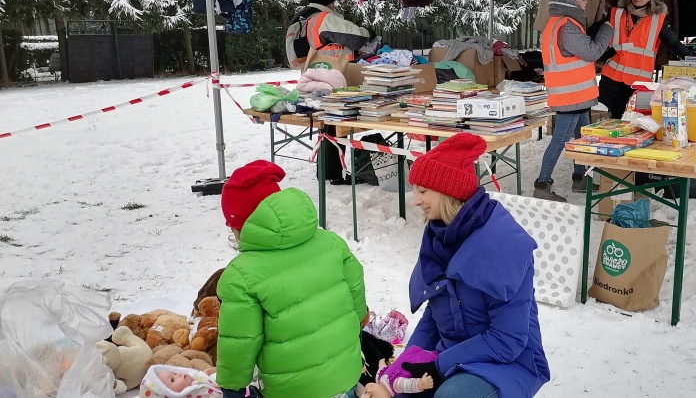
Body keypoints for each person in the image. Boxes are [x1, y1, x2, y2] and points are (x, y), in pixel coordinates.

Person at [403, 133, 550, 398]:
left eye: (423, 191)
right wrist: (407, 361)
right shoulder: (440, 236)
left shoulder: (502, 245)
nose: (415, 201)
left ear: (449, 191)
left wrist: (438, 364)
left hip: (507, 364)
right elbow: (435, 313)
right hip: (451, 353)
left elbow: (508, 341)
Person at [215, 160, 367, 398]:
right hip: (346, 375)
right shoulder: (331, 243)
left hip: (292, 390)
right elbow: (356, 294)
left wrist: (232, 387)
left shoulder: (241, 276)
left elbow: (240, 341)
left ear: (241, 226)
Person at [535, 0, 614, 202]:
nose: (586, 1)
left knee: (582, 137)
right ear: (571, 1)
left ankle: (581, 178)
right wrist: (607, 30)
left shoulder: (560, 24)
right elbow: (591, 52)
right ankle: (542, 184)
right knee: (561, 139)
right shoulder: (567, 27)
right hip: (570, 96)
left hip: (575, 95)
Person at [599, 0, 691, 119]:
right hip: (612, 77)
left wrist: (694, 60)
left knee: (632, 120)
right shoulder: (617, 13)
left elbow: (674, 44)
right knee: (609, 118)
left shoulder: (657, 19)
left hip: (638, 81)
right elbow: (595, 34)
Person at [285, 0, 374, 69]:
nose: (333, 7)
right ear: (325, 2)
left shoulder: (301, 18)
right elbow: (358, 38)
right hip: (333, 71)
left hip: (311, 73)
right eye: (332, 3)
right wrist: (369, 32)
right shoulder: (323, 18)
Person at [142, 365, 220, 398]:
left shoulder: (193, 383)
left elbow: (198, 381)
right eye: (172, 379)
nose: (178, 374)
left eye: (175, 373)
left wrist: (203, 376)